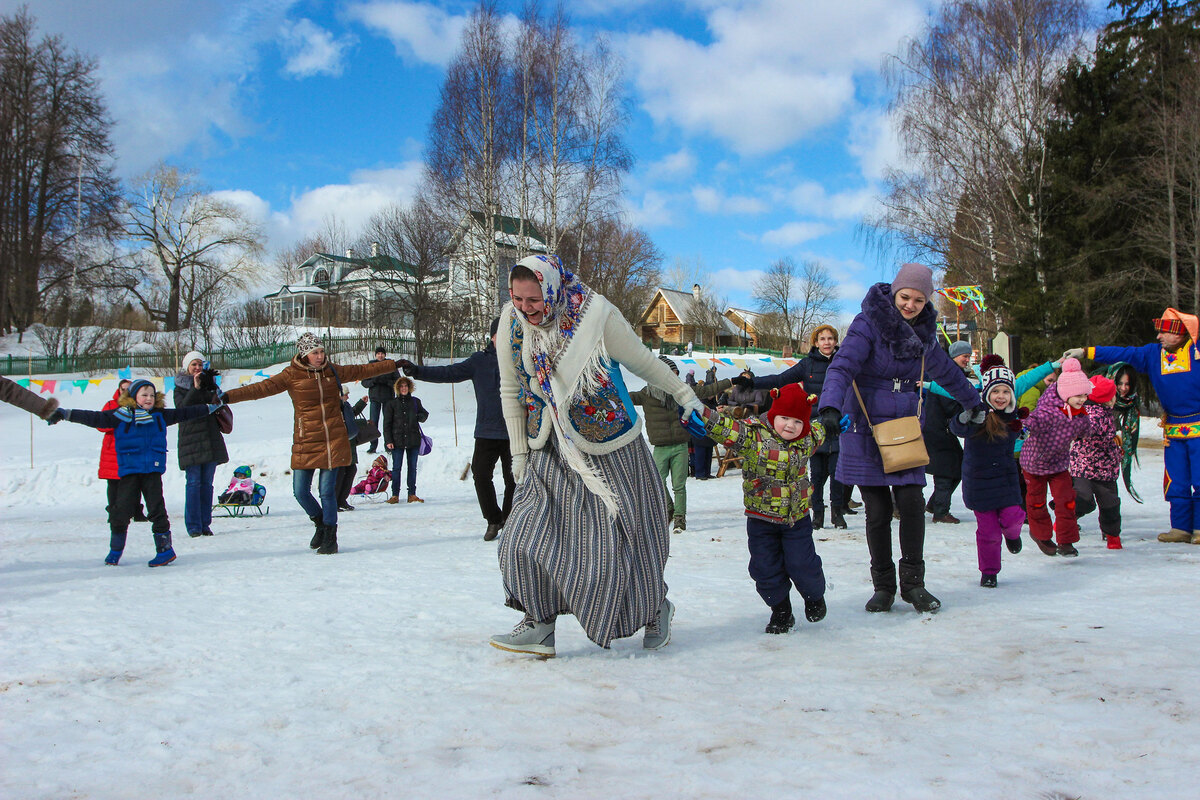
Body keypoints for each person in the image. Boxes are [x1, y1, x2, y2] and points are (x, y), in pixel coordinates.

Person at [489, 254, 703, 658]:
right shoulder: (511, 321)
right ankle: (539, 623)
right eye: (517, 298)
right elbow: (509, 388)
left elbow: (643, 361)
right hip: (546, 445)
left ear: (551, 289)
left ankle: (654, 605)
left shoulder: (595, 314)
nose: (524, 307)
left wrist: (684, 393)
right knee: (522, 535)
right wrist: (518, 452)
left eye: (533, 299)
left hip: (607, 444)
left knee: (623, 539)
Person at [818, 263, 981, 614]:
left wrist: (974, 402)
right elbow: (843, 365)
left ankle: (914, 584)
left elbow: (948, 373)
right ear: (894, 293)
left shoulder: (925, 333)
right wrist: (830, 404)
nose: (910, 305)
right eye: (905, 297)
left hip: (904, 427)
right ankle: (884, 587)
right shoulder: (868, 323)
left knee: (910, 504)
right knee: (877, 512)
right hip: (865, 426)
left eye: (919, 300)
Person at [221, 332, 403, 555]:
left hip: (333, 440)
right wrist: (227, 397)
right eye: (315, 353)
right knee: (300, 492)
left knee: (327, 492)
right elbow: (260, 389)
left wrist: (393, 364)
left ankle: (330, 536)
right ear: (304, 354)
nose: (320, 356)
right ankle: (320, 523)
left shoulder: (332, 371)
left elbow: (362, 370)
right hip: (306, 439)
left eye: (321, 351)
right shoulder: (290, 375)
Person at [694, 382, 828, 633]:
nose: (790, 425)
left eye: (798, 421)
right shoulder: (753, 436)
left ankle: (814, 596)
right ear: (774, 413)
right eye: (785, 418)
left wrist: (832, 419)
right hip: (760, 520)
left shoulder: (807, 438)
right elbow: (727, 428)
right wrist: (701, 412)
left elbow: (822, 427)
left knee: (803, 564)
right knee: (764, 567)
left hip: (796, 520)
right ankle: (781, 609)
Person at [51, 378, 220, 566]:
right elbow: (94, 418)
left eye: (151, 395)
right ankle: (115, 550)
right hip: (129, 471)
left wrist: (210, 408)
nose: (148, 398)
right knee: (121, 510)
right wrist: (66, 414)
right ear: (133, 396)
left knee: (157, 509)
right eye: (144, 395)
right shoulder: (121, 415)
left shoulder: (159, 415)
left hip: (152, 471)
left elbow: (184, 413)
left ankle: (165, 550)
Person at [1068, 310, 1200, 543]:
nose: (1158, 336)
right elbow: (1123, 353)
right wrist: (1087, 351)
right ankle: (1181, 527)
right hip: (1173, 431)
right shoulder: (1153, 354)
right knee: (1176, 479)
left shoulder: (1197, 352)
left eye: (1164, 331)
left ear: (1179, 332)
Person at [399, 317, 513, 540]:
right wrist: (417, 371)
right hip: (486, 431)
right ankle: (493, 519)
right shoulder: (479, 361)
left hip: (515, 431)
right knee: (480, 475)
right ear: (492, 336)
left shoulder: (519, 360)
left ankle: (509, 521)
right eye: (503, 334)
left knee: (514, 480)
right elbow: (448, 373)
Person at [735, 324, 850, 529]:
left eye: (831, 339)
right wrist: (753, 383)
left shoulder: (843, 363)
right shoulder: (807, 365)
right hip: (813, 425)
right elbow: (781, 379)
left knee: (837, 473)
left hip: (836, 424)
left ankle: (837, 513)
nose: (827, 343)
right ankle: (818, 515)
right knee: (816, 474)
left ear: (835, 341)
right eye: (822, 339)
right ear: (816, 342)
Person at [628, 355, 731, 532]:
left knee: (679, 486)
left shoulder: (682, 392)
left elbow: (707, 390)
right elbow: (623, 397)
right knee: (657, 483)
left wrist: (731, 381)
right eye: (670, 373)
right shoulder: (646, 394)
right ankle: (669, 508)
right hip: (660, 447)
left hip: (680, 446)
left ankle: (679, 519)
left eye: (675, 373)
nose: (673, 378)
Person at [948, 355, 1026, 587]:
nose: (1000, 397)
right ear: (987, 393)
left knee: (1014, 517)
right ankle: (989, 572)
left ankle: (1012, 535)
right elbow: (957, 428)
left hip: (1005, 479)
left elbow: (1022, 431)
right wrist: (964, 418)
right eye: (995, 392)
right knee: (989, 532)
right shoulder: (977, 413)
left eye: (1005, 392)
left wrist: (1024, 431)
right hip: (979, 482)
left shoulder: (1013, 418)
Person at [1020, 357, 1095, 557]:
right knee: (1036, 502)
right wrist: (1021, 425)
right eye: (1077, 395)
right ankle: (1041, 534)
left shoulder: (1080, 414)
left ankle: (1066, 541)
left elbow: (1086, 430)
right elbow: (1031, 422)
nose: (1082, 399)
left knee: (1066, 500)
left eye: (1084, 395)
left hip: (1059, 464)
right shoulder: (1047, 412)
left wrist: (1087, 433)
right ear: (1065, 393)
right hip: (1034, 463)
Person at [174, 351, 228, 538]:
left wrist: (212, 388)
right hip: (191, 440)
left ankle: (205, 523)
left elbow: (219, 403)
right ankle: (194, 525)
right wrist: (195, 388)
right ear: (187, 368)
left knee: (207, 484)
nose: (197, 368)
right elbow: (182, 409)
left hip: (210, 437)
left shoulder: (209, 383)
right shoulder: (179, 386)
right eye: (193, 365)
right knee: (194, 483)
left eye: (199, 364)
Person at [921, 340, 973, 524]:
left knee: (956, 467)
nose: (967, 359)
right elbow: (949, 403)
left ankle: (936, 504)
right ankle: (940, 511)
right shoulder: (949, 374)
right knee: (947, 469)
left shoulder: (950, 371)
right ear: (954, 356)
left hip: (938, 427)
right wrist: (966, 411)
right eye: (964, 356)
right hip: (939, 428)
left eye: (968, 356)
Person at [1070, 375, 1124, 549]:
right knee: (1109, 504)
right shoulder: (1094, 414)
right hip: (1096, 467)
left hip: (1086, 467)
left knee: (1085, 499)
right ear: (1108, 398)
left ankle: (1066, 521)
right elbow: (1090, 430)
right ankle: (1112, 536)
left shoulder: (1097, 412)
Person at [97, 379, 148, 524]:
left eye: (128, 389)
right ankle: (113, 512)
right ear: (118, 390)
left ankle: (136, 511)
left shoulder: (137, 406)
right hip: (112, 450)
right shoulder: (110, 405)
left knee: (134, 481)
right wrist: (115, 423)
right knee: (113, 484)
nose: (125, 391)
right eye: (123, 389)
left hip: (131, 448)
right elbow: (101, 425)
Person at [382, 376, 428, 504]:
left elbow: (425, 415)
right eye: (401, 386)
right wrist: (388, 440)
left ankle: (412, 494)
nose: (404, 388)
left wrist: (419, 416)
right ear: (397, 388)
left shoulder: (415, 402)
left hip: (413, 439)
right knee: (396, 468)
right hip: (397, 440)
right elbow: (387, 424)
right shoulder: (391, 404)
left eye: (406, 386)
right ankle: (395, 494)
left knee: (412, 468)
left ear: (409, 388)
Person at [1105, 362, 1144, 504]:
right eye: (1119, 383)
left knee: (1109, 499)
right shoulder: (1098, 396)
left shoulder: (1132, 402)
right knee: (1083, 496)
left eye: (1127, 384)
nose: (1123, 388)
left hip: (1109, 459)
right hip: (1087, 457)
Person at [361, 346, 398, 454]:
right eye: (378, 354)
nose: (380, 355)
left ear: (385, 355)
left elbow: (398, 382)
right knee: (373, 423)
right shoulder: (371, 366)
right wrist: (373, 382)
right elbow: (364, 382)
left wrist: (388, 382)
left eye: (382, 353)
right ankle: (373, 446)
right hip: (375, 398)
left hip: (388, 399)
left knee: (388, 422)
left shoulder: (390, 365)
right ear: (375, 355)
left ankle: (388, 445)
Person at [335, 390, 368, 511]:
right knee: (339, 473)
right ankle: (334, 501)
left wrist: (361, 404)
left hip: (350, 445)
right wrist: (363, 423)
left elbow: (351, 415)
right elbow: (346, 424)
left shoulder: (346, 406)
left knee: (350, 470)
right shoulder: (334, 408)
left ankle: (342, 500)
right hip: (341, 445)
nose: (348, 396)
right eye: (346, 394)